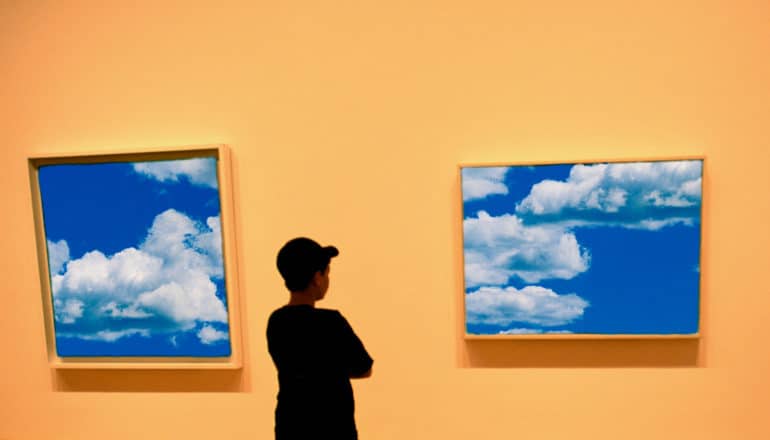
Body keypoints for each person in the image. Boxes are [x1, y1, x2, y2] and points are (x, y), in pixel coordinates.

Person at [267, 237, 374, 440]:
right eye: (327, 274)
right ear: (317, 277)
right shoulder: (331, 322)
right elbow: (364, 367)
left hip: (290, 425)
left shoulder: (277, 321)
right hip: (333, 427)